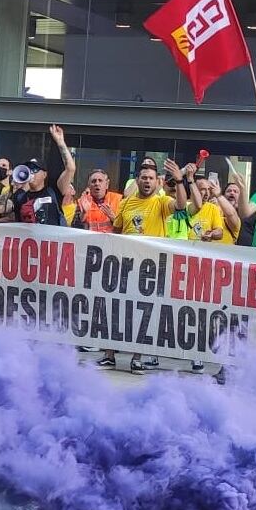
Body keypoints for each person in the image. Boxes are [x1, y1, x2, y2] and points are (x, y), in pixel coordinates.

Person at [99, 159, 192, 373]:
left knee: (142, 313)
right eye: (144, 178)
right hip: (126, 264)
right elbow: (118, 229)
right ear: (137, 180)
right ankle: (109, 355)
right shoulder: (127, 202)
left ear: (157, 181)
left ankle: (137, 358)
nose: (147, 181)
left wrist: (179, 180)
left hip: (150, 268)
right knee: (117, 308)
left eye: (151, 178)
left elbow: (179, 205)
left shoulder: (161, 202)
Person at [0, 125, 76, 226]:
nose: (31, 172)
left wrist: (60, 142)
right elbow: (0, 210)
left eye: (35, 169)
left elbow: (70, 168)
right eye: (29, 169)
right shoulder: (21, 196)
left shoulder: (53, 191)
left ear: (44, 174)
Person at [70, 168, 123, 233]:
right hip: (89, 241)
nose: (97, 184)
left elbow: (125, 228)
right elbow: (74, 229)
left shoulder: (119, 200)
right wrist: (83, 213)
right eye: (93, 181)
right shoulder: (82, 201)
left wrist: (113, 218)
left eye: (100, 181)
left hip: (111, 241)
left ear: (107, 184)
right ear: (89, 186)